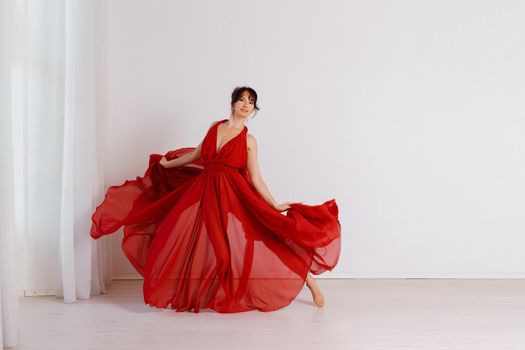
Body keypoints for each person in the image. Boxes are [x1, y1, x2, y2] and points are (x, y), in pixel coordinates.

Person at [90, 86, 341, 313]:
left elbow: (256, 177)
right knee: (184, 234)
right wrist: (168, 164)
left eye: (251, 102)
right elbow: (197, 155)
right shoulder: (214, 127)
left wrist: (274, 204)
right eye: (241, 100)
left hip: (235, 194)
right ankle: (199, 292)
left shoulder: (250, 141)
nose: (245, 104)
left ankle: (311, 284)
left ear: (253, 110)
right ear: (232, 104)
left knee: (270, 234)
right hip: (205, 191)